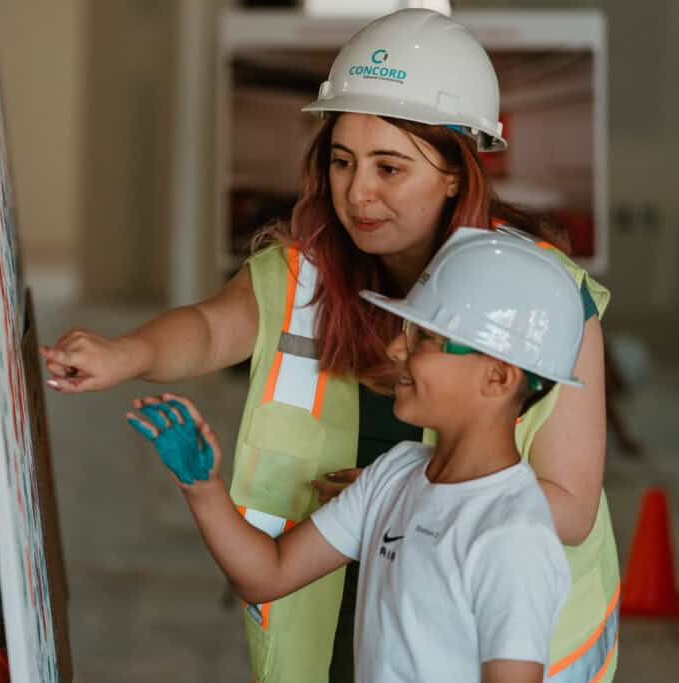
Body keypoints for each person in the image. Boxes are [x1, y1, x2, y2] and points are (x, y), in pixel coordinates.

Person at [41, 9, 619, 682]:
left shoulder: (542, 298)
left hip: (506, 629)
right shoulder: (305, 273)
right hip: (351, 589)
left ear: (457, 173)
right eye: (342, 161)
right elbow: (207, 329)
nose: (358, 192)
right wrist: (125, 355)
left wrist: (418, 500)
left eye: (390, 167)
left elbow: (571, 507)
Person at [125, 228, 587, 682]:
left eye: (426, 337)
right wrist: (204, 488)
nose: (395, 347)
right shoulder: (396, 475)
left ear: (498, 378)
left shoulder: (511, 534)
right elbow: (267, 573)